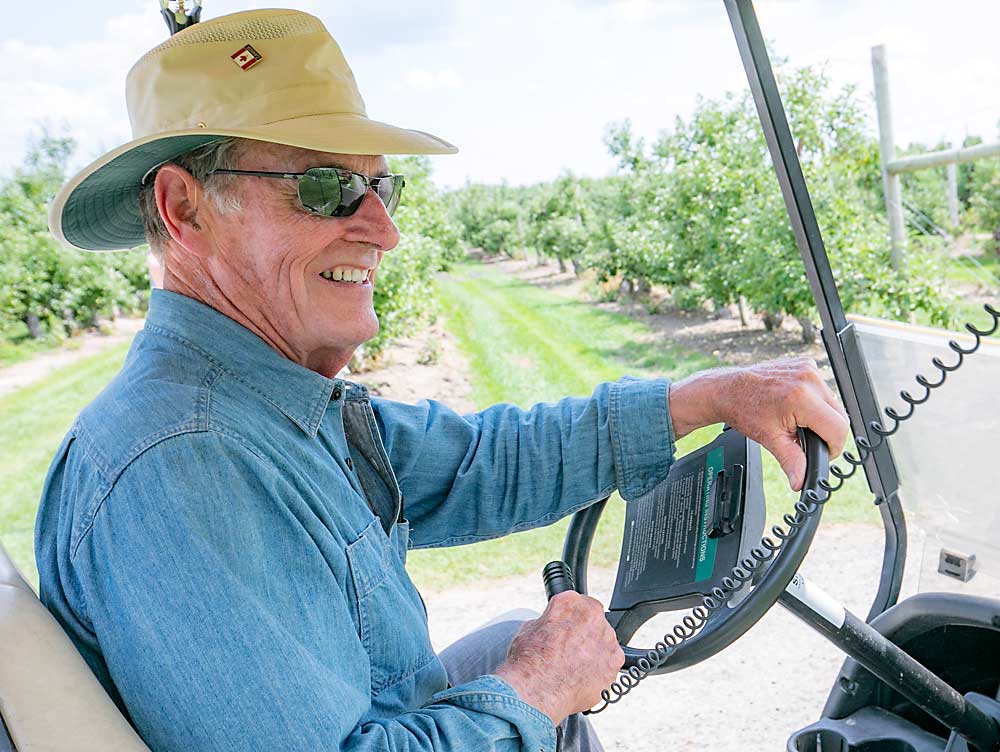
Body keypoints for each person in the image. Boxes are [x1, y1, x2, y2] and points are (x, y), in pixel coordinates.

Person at [36, 8, 850, 752]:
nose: (384, 229)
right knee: (519, 663)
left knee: (503, 638)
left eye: (381, 187)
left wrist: (704, 398)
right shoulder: (190, 464)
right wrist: (536, 686)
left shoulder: (266, 402)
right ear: (184, 210)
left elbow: (472, 464)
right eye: (327, 188)